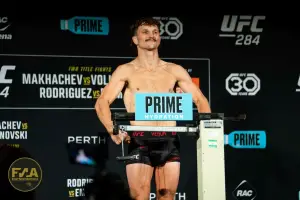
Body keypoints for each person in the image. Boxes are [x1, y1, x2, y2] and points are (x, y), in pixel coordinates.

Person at [95, 17, 211, 200]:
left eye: (155, 32)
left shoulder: (174, 70)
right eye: (146, 32)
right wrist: (112, 129)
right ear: (135, 40)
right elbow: (102, 102)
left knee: (167, 196)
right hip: (140, 139)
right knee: (139, 196)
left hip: (169, 139)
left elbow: (200, 100)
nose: (152, 36)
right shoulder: (126, 70)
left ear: (160, 38)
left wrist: (208, 132)